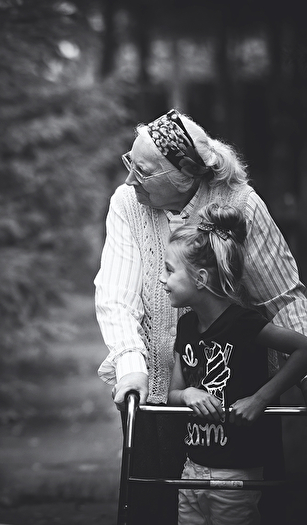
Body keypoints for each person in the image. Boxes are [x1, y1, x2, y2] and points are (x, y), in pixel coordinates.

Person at [94, 108, 307, 524]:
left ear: (184, 175)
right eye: (129, 164)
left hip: (237, 407)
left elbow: (282, 298)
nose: (130, 180)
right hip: (160, 395)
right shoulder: (127, 203)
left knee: (239, 508)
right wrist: (131, 366)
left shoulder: (241, 205)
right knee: (155, 507)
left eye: (143, 171)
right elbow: (116, 294)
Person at [163, 203, 307, 525]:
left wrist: (260, 398)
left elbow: (303, 349)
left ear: (200, 278)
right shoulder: (185, 327)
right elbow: (173, 394)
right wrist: (187, 395)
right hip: (191, 468)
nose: (162, 279)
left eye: (170, 270)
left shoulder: (243, 323)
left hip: (237, 473)